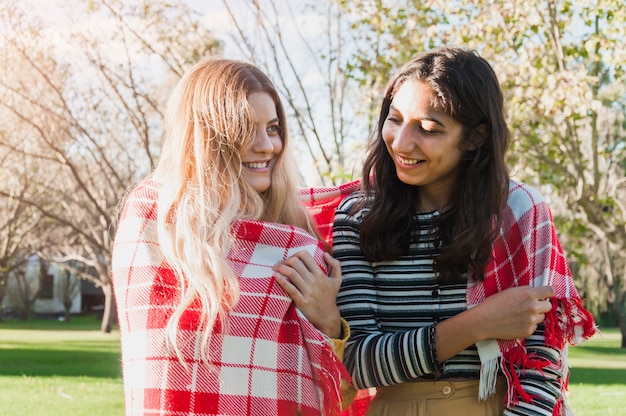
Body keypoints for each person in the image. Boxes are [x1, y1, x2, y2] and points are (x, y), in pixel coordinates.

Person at [331, 46, 597, 416]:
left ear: (474, 137)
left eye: (427, 129)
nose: (402, 143)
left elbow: (539, 364)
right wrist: (477, 323)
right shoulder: (359, 218)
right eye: (394, 120)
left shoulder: (517, 211)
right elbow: (359, 364)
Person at [111, 57, 354, 416]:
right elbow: (157, 367)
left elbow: (344, 393)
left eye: (273, 128)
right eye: (246, 128)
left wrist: (329, 321)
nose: (266, 145)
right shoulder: (158, 220)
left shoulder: (297, 233)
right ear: (207, 135)